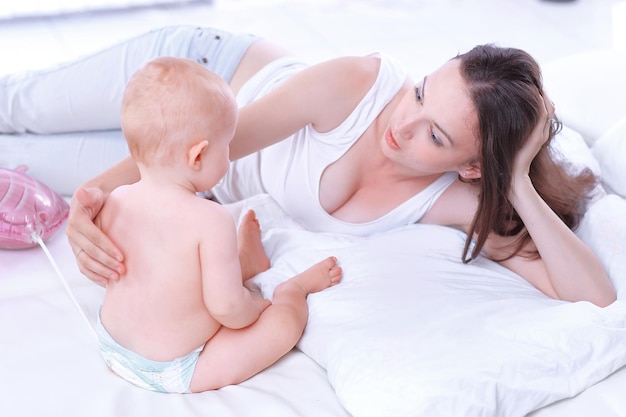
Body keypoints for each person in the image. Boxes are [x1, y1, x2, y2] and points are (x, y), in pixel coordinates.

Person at [0, 26, 615, 307]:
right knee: (18, 105)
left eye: (433, 133)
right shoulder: (355, 83)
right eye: (423, 90)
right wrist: (91, 200)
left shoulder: (453, 203)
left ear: (473, 167)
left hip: (187, 172)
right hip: (196, 76)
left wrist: (518, 179)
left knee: (12, 154)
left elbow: (594, 294)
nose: (402, 122)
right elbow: (224, 142)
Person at [93, 56, 342, 393]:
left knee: (187, 271)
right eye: (227, 146)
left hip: (113, 348)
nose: (230, 155)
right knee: (282, 326)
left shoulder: (117, 199)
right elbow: (227, 309)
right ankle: (292, 292)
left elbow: (157, 273)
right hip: (178, 368)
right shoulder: (210, 220)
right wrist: (254, 308)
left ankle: (246, 263)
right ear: (198, 156)